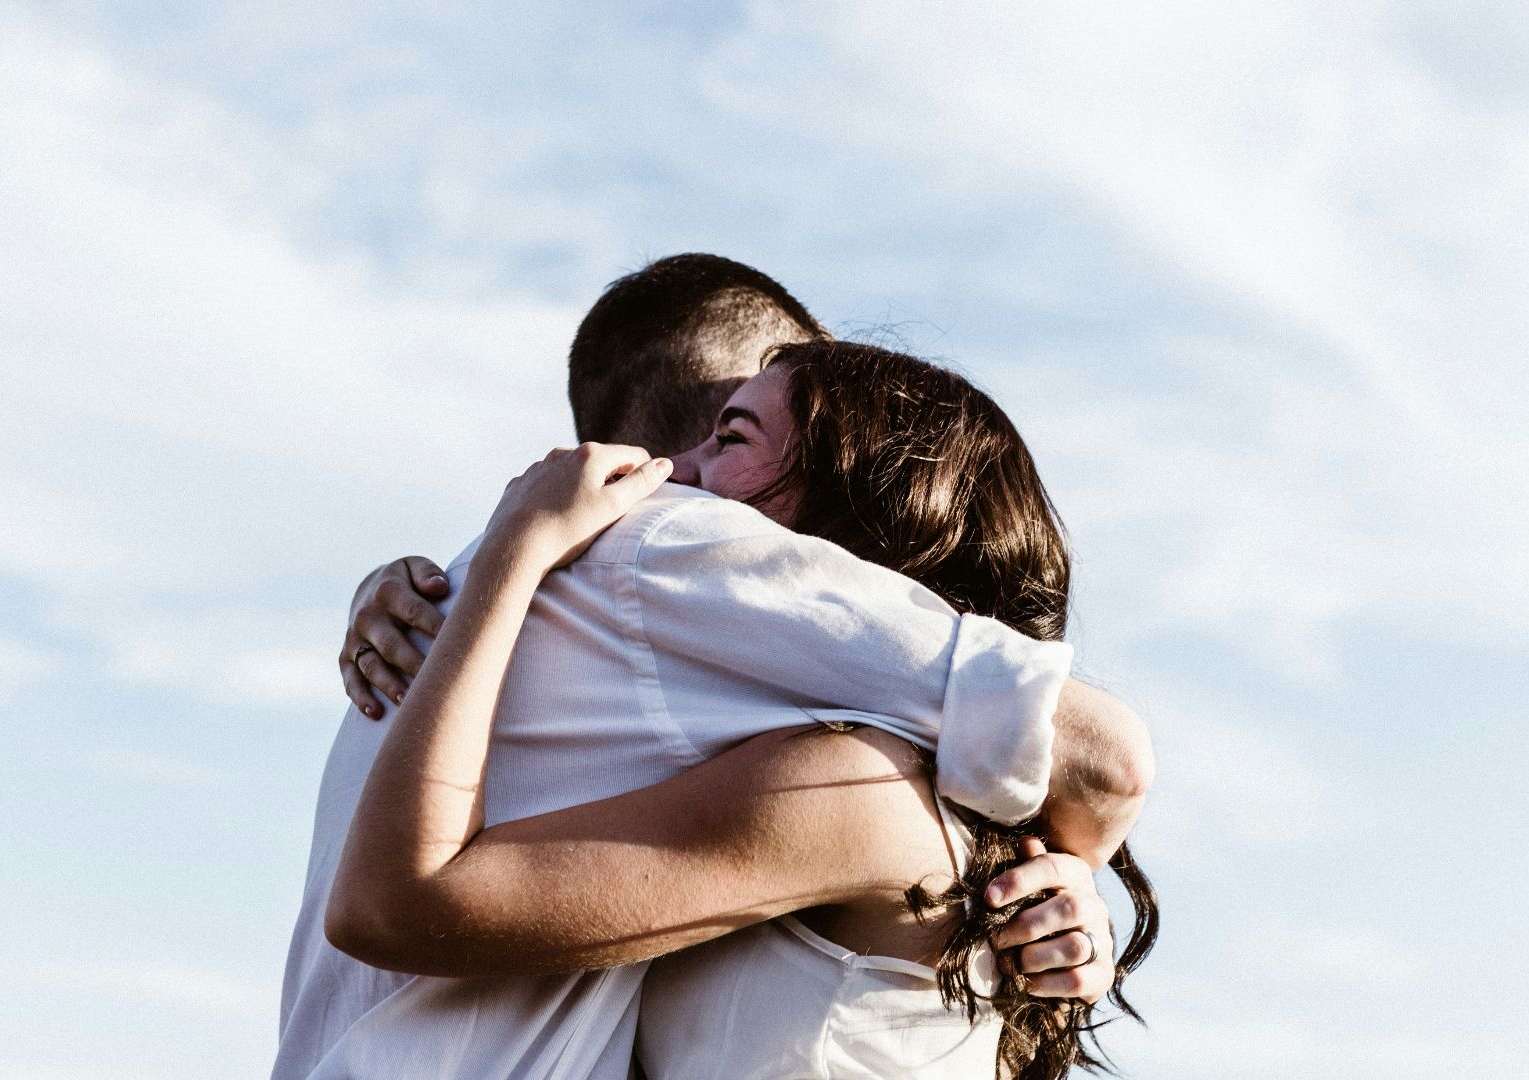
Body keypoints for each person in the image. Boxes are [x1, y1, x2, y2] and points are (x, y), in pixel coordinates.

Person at [274, 255, 1152, 1080]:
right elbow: (1101, 762)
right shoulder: (671, 567)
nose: (669, 483)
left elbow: (1098, 761)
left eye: (731, 440)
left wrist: (1058, 872)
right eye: (726, 424)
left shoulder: (855, 785)